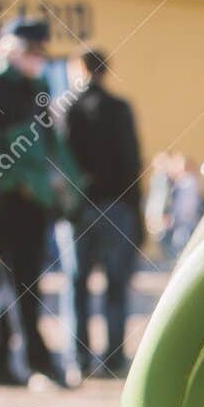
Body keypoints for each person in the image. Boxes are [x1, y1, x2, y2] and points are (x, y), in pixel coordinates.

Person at [0, 18, 81, 387]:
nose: (38, 58)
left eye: (41, 51)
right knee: (22, 281)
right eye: (31, 51)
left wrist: (70, 185)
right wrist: (22, 182)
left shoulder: (38, 90)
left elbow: (53, 147)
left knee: (15, 280)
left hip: (38, 200)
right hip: (9, 199)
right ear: (10, 49)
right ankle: (38, 364)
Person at [65, 47, 144, 377]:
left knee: (77, 286)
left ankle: (78, 360)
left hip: (78, 209)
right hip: (118, 207)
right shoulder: (120, 109)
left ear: (79, 69)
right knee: (116, 285)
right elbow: (132, 162)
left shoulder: (68, 109)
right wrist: (137, 213)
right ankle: (113, 358)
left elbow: (60, 164)